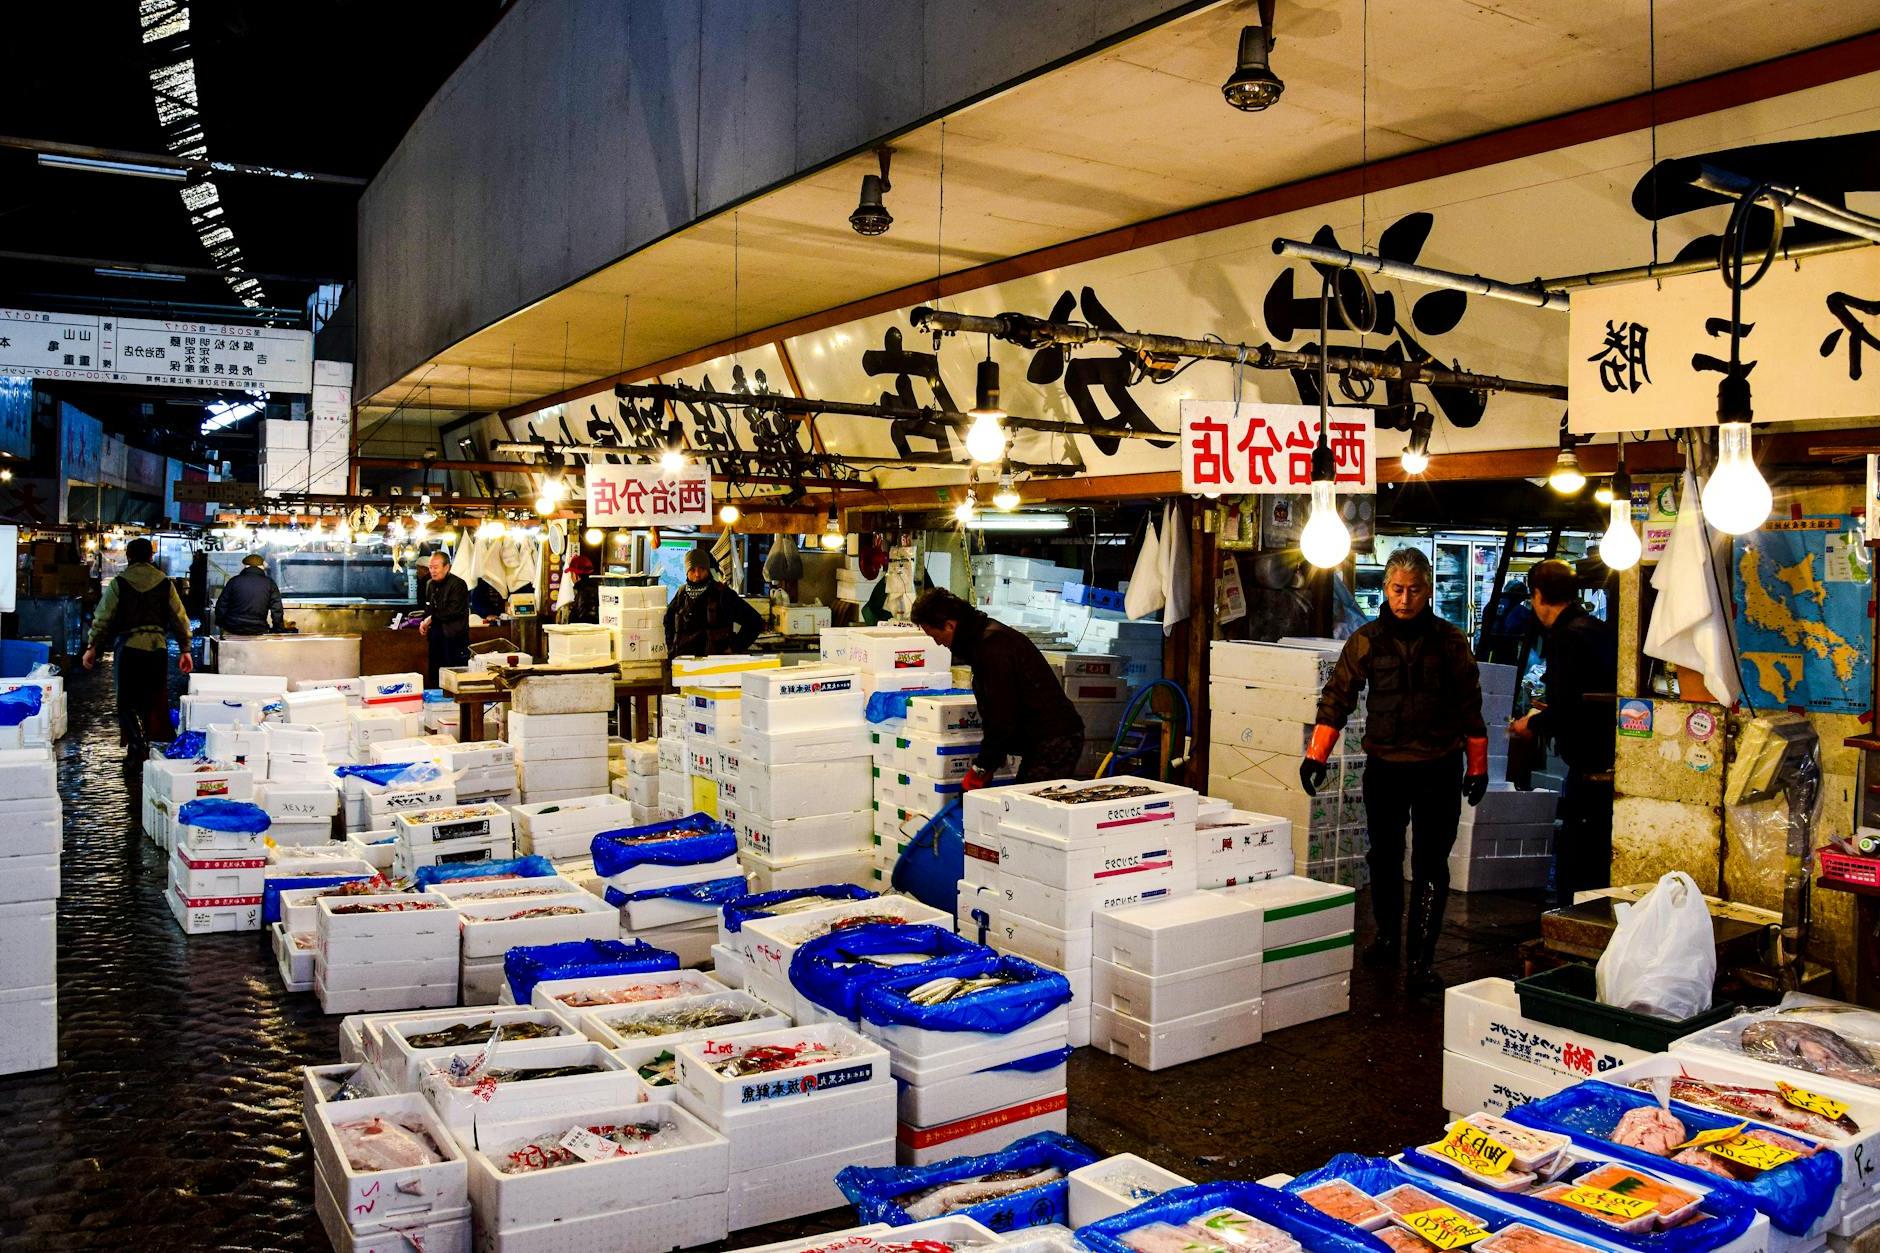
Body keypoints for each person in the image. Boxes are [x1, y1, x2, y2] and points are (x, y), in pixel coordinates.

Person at [1300, 546, 1488, 993]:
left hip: (1439, 768)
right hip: (1384, 768)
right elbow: (1336, 699)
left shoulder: (1450, 641)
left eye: (1415, 590)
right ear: (1385, 588)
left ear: (1428, 591)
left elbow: (1471, 707)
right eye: (1397, 589)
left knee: (1430, 864)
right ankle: (1386, 937)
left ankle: (1421, 960)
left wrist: (1476, 765)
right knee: (1383, 857)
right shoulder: (1365, 640)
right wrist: (1315, 756)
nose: (1405, 599)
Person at [1509, 558, 1618, 908]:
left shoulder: (1566, 638)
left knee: (1577, 864)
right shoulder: (1597, 629)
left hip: (1589, 770)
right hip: (1611, 765)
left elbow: (1568, 707)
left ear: (1538, 595)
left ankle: (1577, 930)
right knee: (1597, 859)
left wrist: (1532, 724)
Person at [909, 588, 1084, 790]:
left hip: (1055, 739)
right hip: (1041, 739)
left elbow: (1001, 715)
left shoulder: (993, 647)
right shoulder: (981, 640)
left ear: (949, 625)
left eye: (934, 636)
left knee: (1029, 810)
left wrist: (983, 766)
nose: (938, 643)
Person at [81, 537, 194, 759]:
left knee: (127, 700)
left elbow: (102, 617)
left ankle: (137, 743)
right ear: (151, 557)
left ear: (129, 556)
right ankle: (144, 742)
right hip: (158, 649)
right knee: (152, 697)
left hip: (129, 648)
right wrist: (185, 649)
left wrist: (92, 646)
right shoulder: (164, 582)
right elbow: (180, 618)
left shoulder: (119, 583)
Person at [665, 547, 765, 657]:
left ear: (708, 570)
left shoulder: (723, 594)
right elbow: (668, 622)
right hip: (683, 665)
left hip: (715, 665)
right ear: (687, 572)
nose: (697, 574)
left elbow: (755, 621)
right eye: (693, 570)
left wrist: (735, 646)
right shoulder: (681, 594)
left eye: (702, 569)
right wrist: (671, 647)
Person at [417, 550, 471, 686]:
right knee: (435, 673)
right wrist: (424, 621)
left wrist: (431, 619)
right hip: (436, 637)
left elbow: (452, 611)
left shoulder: (458, 584)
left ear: (447, 567)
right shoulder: (430, 584)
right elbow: (428, 608)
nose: (432, 571)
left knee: (452, 676)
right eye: (430, 567)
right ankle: (436, 703)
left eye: (436, 567)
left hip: (454, 638)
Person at [214, 554, 286, 635]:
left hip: (232, 629)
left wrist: (220, 623)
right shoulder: (270, 584)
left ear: (245, 566)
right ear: (261, 567)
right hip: (258, 630)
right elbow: (277, 609)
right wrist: (278, 629)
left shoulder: (234, 581)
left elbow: (221, 605)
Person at [559, 554, 600, 625]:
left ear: (575, 575)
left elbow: (585, 623)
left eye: (571, 574)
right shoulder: (595, 588)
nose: (571, 577)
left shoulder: (585, 593)